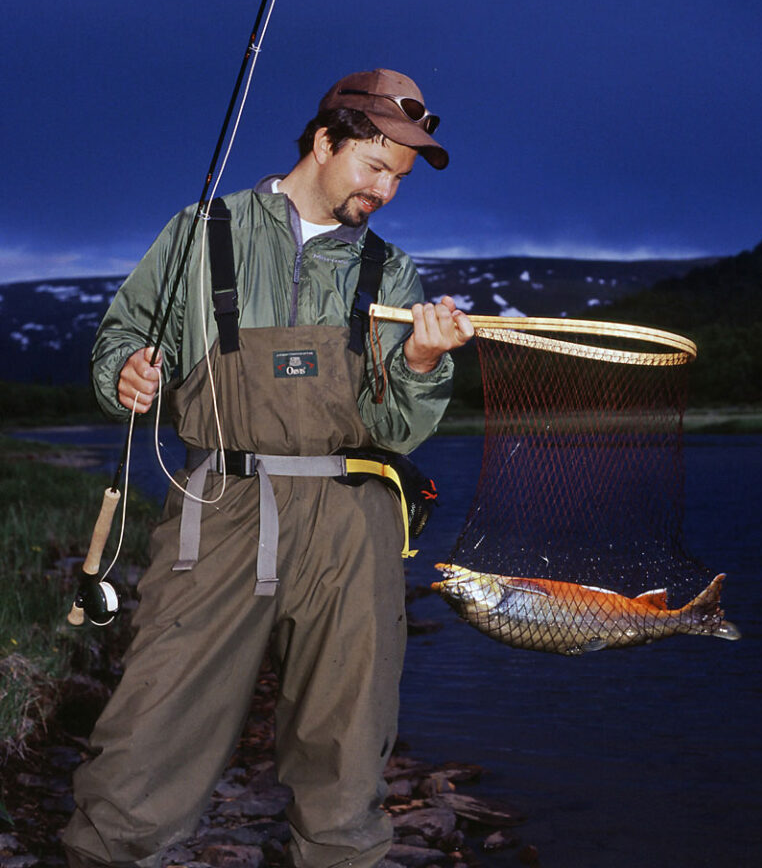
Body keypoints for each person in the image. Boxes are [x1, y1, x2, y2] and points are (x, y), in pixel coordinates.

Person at [62, 68, 474, 868]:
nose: (387, 191)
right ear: (325, 141)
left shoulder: (389, 272)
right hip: (213, 508)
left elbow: (396, 427)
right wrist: (126, 375)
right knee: (149, 730)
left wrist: (422, 359)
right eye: (376, 167)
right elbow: (122, 336)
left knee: (346, 757)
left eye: (400, 178)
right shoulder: (200, 232)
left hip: (352, 525)